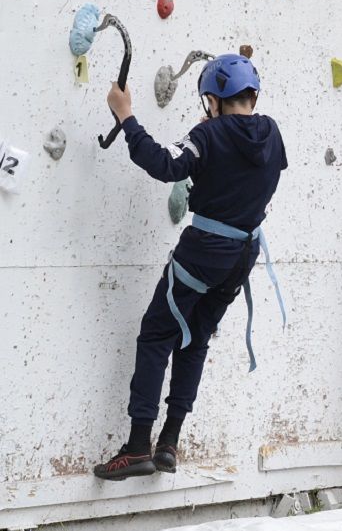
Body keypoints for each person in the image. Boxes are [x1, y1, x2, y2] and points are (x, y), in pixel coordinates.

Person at [93, 54, 287, 480]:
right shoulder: (272, 133)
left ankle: (138, 445)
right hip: (243, 255)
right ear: (253, 96)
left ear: (214, 101)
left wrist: (126, 115)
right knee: (195, 338)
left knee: (157, 333)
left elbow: (165, 164)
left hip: (205, 251)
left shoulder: (209, 133)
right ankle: (170, 443)